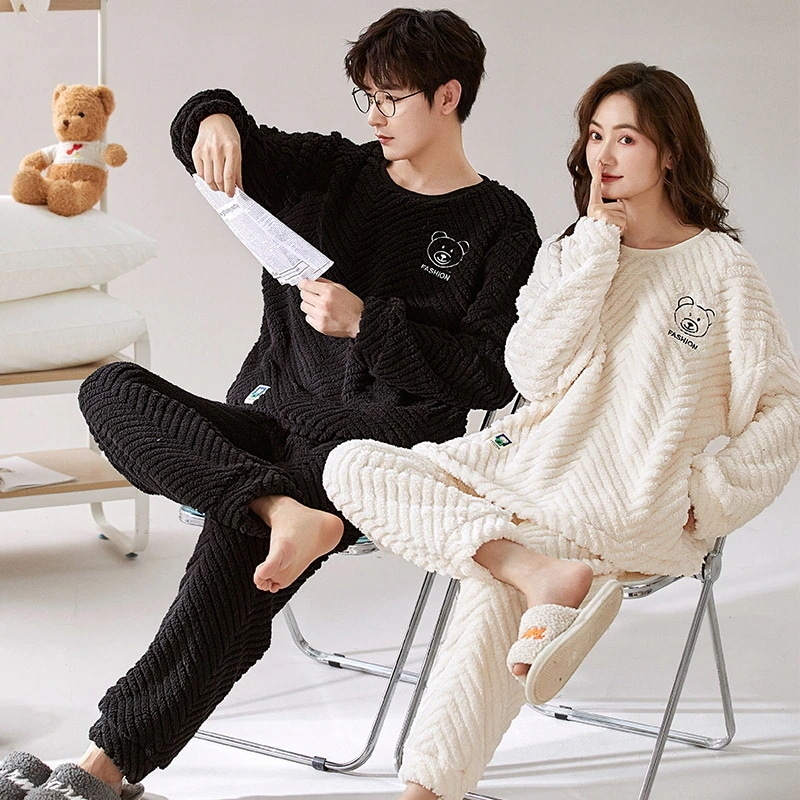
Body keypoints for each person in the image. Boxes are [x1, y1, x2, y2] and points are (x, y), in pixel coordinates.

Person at [0, 9, 541, 800]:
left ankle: (100, 770)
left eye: (391, 99)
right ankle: (278, 510)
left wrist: (368, 325)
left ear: (449, 96)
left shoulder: (500, 223)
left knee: (236, 534)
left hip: (372, 455)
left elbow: (491, 375)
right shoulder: (334, 170)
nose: (376, 116)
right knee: (107, 389)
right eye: (367, 98)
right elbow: (207, 125)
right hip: (269, 421)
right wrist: (211, 119)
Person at [323, 61, 800, 800]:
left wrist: (711, 495)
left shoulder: (722, 270)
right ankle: (532, 574)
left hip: (631, 500)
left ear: (670, 152)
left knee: (489, 588)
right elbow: (533, 373)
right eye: (595, 135)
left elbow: (782, 407)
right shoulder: (574, 249)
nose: (603, 155)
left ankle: (427, 784)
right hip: (531, 473)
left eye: (627, 139)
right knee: (351, 464)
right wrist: (595, 250)